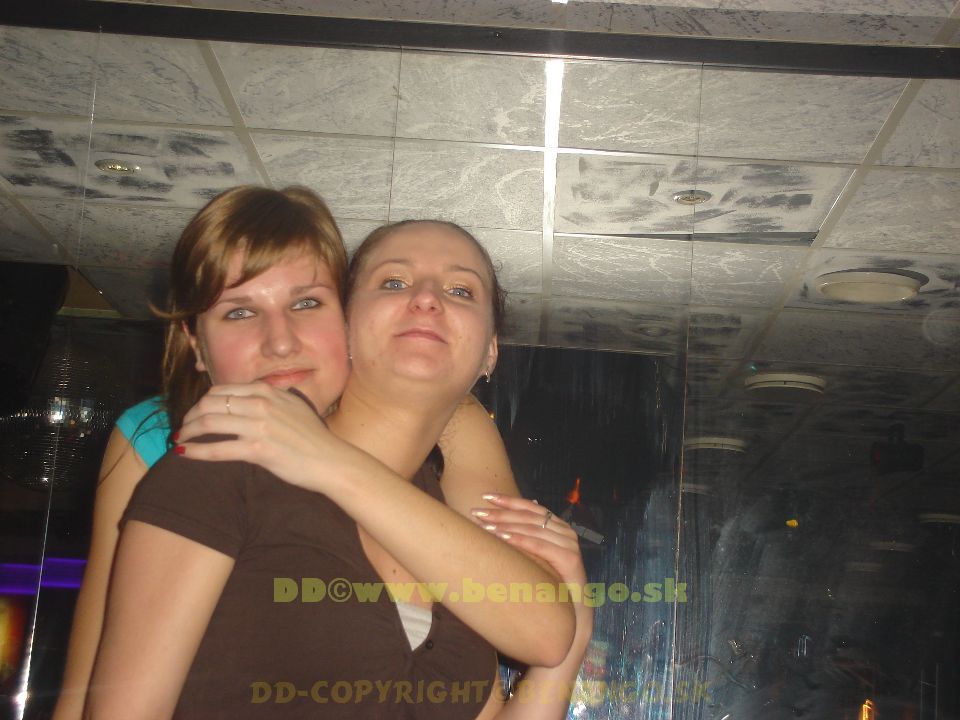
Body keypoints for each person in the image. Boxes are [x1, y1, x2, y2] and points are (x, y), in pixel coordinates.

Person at [71, 189, 588, 717]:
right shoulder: (218, 464)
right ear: (346, 324)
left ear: (491, 351)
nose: (427, 299)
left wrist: (573, 635)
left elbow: (544, 633)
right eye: (393, 282)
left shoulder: (452, 534)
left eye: (461, 290)